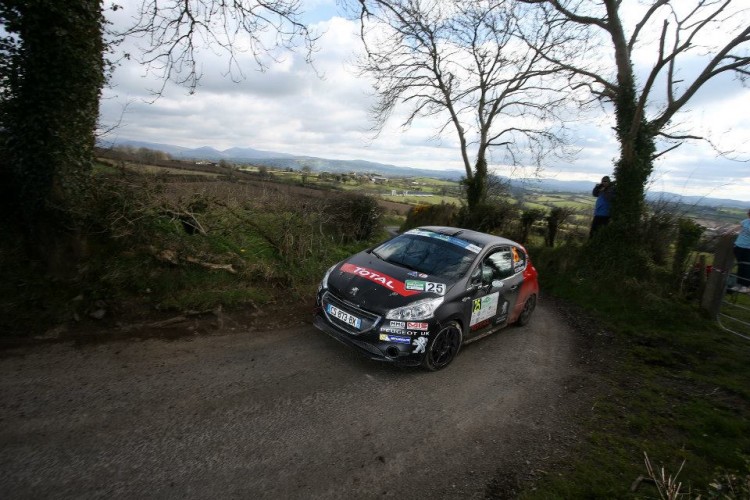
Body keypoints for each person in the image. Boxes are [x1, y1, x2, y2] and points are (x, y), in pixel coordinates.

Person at [732, 209, 750, 293]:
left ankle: (745, 286)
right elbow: (737, 227)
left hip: (748, 249)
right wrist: (728, 232)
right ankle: (738, 284)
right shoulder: (746, 221)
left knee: (746, 267)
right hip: (738, 246)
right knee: (740, 266)